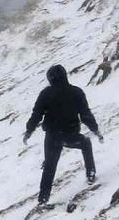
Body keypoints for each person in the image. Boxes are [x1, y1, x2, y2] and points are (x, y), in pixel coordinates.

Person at [23, 64, 102, 204]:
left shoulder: (45, 94)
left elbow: (36, 115)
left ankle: (43, 199)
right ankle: (91, 174)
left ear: (50, 79)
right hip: (70, 135)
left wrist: (29, 130)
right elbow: (85, 115)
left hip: (52, 136)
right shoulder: (76, 92)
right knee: (86, 144)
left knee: (49, 166)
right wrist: (95, 130)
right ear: (65, 76)